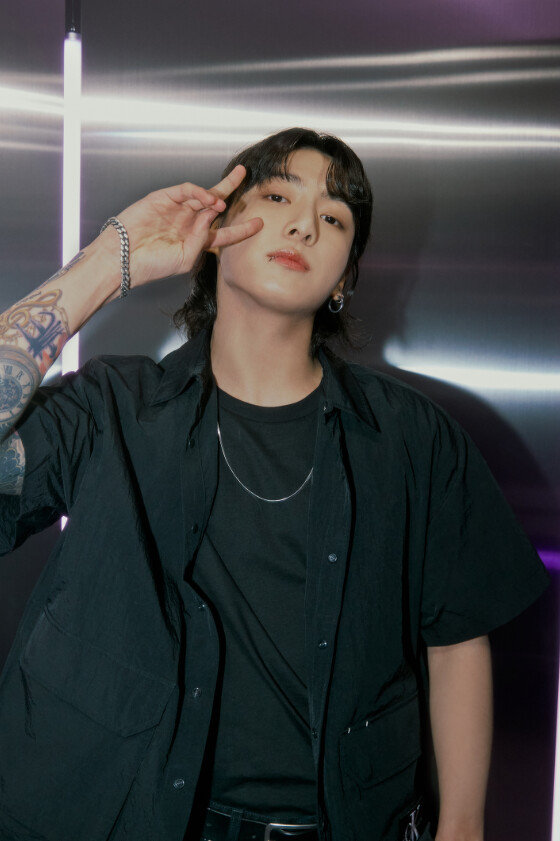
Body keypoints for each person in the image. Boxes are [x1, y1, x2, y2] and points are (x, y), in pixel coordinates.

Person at [0, 127, 548, 841]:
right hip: (124, 817)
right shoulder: (112, 408)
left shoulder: (415, 438)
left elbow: (456, 639)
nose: (303, 225)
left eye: (334, 218)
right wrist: (112, 258)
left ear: (345, 277)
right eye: (279, 196)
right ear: (218, 231)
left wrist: (463, 827)